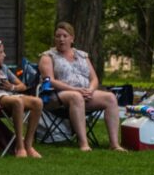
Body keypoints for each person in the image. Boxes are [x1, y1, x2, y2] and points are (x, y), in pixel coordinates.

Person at [39, 22, 124, 152]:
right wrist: (75, 90)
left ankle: (114, 144)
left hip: (84, 93)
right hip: (57, 95)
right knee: (76, 97)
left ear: (72, 38)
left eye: (65, 36)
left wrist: (91, 90)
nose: (61, 39)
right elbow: (49, 81)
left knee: (110, 98)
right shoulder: (48, 56)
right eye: (58, 36)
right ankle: (84, 143)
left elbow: (94, 78)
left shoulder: (82, 55)